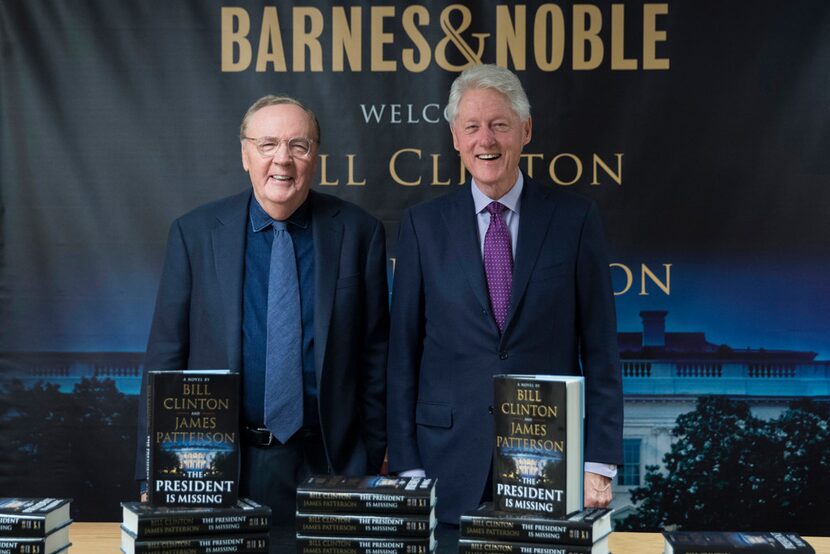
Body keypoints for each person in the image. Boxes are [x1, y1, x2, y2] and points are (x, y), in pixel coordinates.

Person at [386, 64, 623, 524]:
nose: (486, 141)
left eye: (499, 125)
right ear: (455, 136)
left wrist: (598, 462)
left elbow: (602, 350)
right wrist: (407, 463)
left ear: (525, 130)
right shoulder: (422, 226)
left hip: (549, 462)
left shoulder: (574, 221)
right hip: (443, 464)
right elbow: (402, 355)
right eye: (472, 127)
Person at [135, 95, 389, 522]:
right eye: (267, 144)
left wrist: (373, 456)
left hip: (331, 463)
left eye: (298, 146)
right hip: (221, 467)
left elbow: (376, 359)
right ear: (245, 154)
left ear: (316, 156)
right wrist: (150, 474)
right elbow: (165, 359)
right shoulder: (195, 235)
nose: (282, 161)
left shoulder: (360, 233)